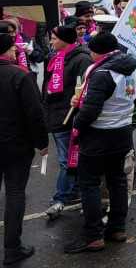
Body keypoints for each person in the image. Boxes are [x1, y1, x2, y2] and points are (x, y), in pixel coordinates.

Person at [63, 31, 136, 254]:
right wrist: (82, 100)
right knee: (117, 181)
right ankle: (117, 228)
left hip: (99, 136)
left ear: (97, 52)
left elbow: (92, 110)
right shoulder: (128, 68)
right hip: (122, 133)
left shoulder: (102, 72)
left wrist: (77, 125)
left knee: (90, 184)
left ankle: (93, 235)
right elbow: (134, 97)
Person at [0, 32, 48, 265]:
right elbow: (34, 112)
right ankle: (12, 247)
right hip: (15, 144)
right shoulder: (19, 75)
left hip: (11, 142)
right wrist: (42, 142)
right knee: (15, 192)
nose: (15, 53)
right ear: (6, 51)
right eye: (13, 49)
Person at [41, 24, 93, 220]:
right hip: (56, 115)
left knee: (67, 159)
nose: (51, 42)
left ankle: (60, 198)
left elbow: (82, 89)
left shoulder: (81, 58)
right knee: (71, 159)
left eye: (54, 39)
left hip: (69, 117)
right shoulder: (56, 57)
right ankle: (74, 190)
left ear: (65, 39)